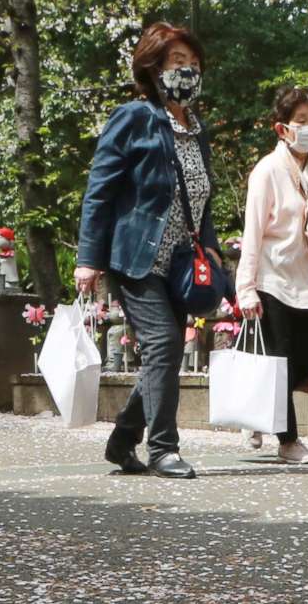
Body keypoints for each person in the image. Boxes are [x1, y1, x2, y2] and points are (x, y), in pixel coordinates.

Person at [75, 24, 223, 480]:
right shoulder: (134, 118)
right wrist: (88, 258)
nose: (188, 71)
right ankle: (163, 449)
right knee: (162, 343)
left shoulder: (195, 128)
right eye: (178, 62)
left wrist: (212, 248)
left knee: (167, 349)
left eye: (193, 64)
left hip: (180, 262)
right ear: (154, 67)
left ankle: (122, 440)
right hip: (137, 258)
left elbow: (199, 197)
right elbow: (99, 192)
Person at [234, 87, 308, 464]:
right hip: (272, 278)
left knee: (305, 361)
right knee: (278, 362)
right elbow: (253, 232)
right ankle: (288, 440)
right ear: (282, 129)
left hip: (307, 280)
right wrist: (246, 290)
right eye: (301, 122)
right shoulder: (267, 171)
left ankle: (259, 410)